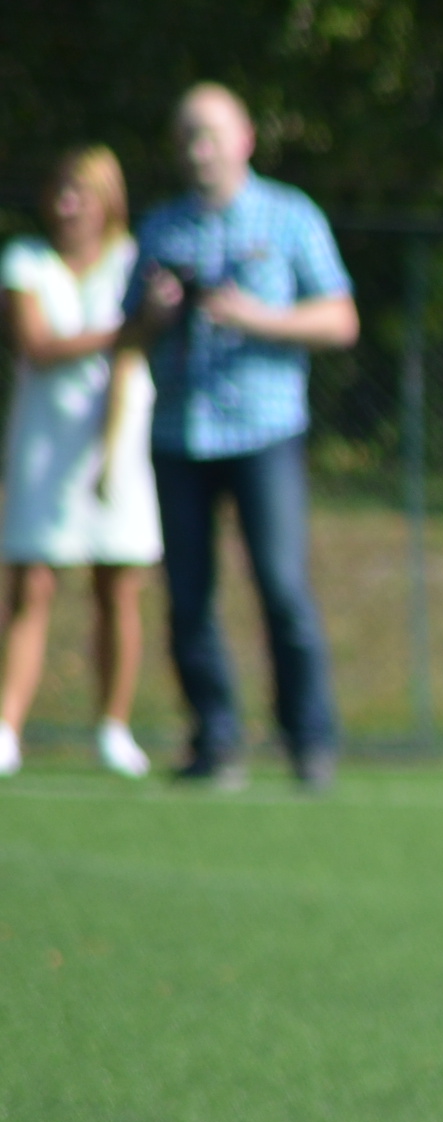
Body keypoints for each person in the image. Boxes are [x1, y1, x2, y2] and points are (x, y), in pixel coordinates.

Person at [125, 82, 357, 791]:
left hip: (265, 432)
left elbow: (340, 320)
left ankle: (309, 740)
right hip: (179, 435)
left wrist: (258, 318)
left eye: (211, 135)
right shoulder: (161, 229)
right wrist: (154, 315)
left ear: (245, 139)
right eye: (187, 137)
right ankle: (215, 740)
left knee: (283, 589)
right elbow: (125, 337)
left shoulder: (290, 217)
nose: (199, 151)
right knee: (188, 598)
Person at [1, 146, 158, 779]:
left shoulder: (134, 261)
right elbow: (37, 344)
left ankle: (113, 728)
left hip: (117, 445)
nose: (68, 205)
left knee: (117, 585)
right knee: (33, 584)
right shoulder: (26, 261)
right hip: (45, 443)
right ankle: (7, 728)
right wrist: (123, 331)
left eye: (82, 193)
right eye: (61, 191)